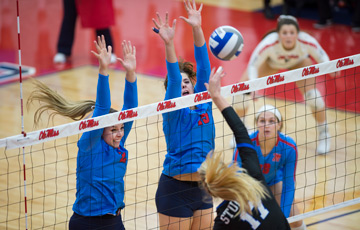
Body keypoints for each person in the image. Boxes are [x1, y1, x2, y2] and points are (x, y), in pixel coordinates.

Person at [28, 35, 138, 229]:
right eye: (113, 130)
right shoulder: (90, 145)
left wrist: (131, 73)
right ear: (99, 130)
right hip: (86, 223)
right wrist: (103, 70)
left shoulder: (118, 145)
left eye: (121, 128)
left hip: (114, 220)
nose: (120, 133)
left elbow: (131, 107)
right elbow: (102, 108)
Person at [198, 66, 291, 229]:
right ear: (230, 171)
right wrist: (216, 96)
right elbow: (240, 131)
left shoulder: (222, 222)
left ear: (213, 192)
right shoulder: (255, 180)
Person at [152, 1, 215, 229]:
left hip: (204, 189)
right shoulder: (172, 112)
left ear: (194, 85)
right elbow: (174, 78)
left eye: (187, 82)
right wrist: (169, 43)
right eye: (179, 84)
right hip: (174, 191)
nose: (183, 86)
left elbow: (204, 66)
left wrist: (197, 28)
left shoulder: (204, 104)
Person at [235, 15, 331, 155]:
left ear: (297, 34)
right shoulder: (269, 43)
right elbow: (253, 65)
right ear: (278, 34)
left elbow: (322, 57)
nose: (288, 36)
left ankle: (324, 134)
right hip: (270, 63)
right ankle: (240, 132)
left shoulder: (306, 41)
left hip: (299, 63)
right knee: (240, 93)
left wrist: (331, 69)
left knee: (314, 97)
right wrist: (254, 87)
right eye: (284, 33)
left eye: (292, 33)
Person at [233, 105, 307, 230]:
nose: (266, 125)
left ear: (279, 125)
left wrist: (282, 219)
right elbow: (235, 177)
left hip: (272, 183)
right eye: (262, 121)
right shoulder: (245, 143)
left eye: (271, 121)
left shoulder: (288, 146)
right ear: (256, 123)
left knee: (294, 218)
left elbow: (289, 185)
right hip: (247, 187)